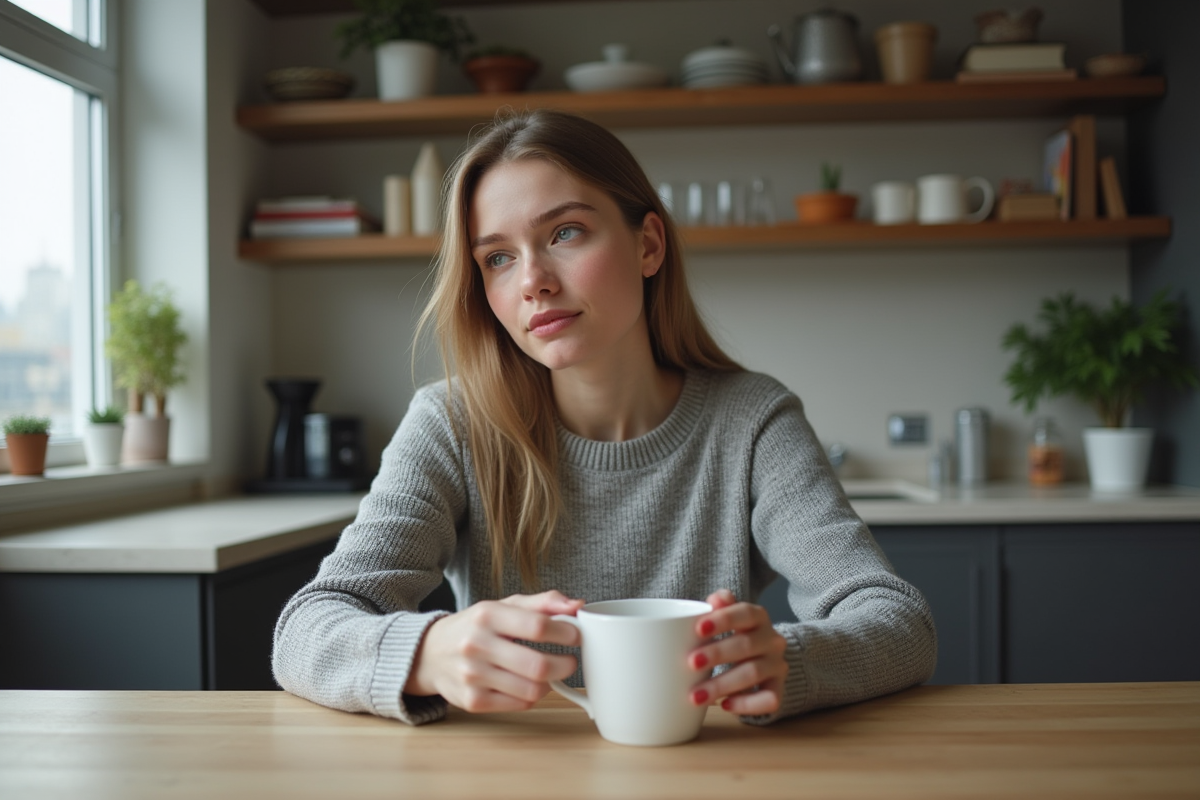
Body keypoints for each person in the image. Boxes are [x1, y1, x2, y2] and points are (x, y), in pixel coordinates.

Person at [272, 109, 937, 726]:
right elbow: (306, 630)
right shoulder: (452, 423)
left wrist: (789, 659)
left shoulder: (751, 420)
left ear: (648, 245)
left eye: (565, 233)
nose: (532, 280)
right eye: (497, 257)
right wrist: (429, 648)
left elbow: (899, 622)